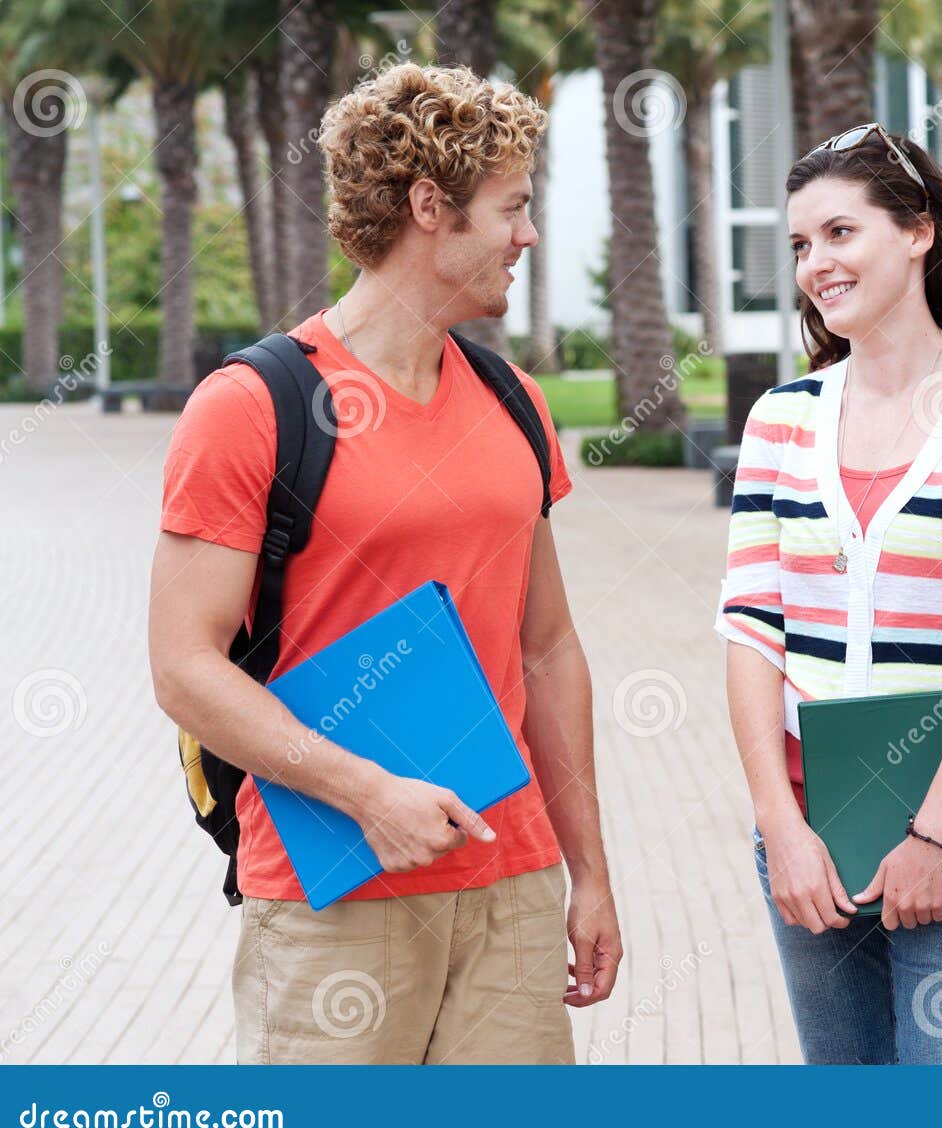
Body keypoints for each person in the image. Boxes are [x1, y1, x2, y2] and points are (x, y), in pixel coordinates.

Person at [149, 64, 621, 1064]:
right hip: (333, 894)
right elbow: (183, 667)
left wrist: (588, 872)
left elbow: (548, 650)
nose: (528, 235)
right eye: (514, 208)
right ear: (427, 208)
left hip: (509, 882)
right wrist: (367, 793)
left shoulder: (515, 404)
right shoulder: (251, 407)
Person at [716, 124, 942, 1064]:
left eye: (839, 233)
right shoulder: (781, 418)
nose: (815, 265)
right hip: (810, 841)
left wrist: (934, 837)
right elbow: (751, 629)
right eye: (800, 246)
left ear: (916, 233)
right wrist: (778, 827)